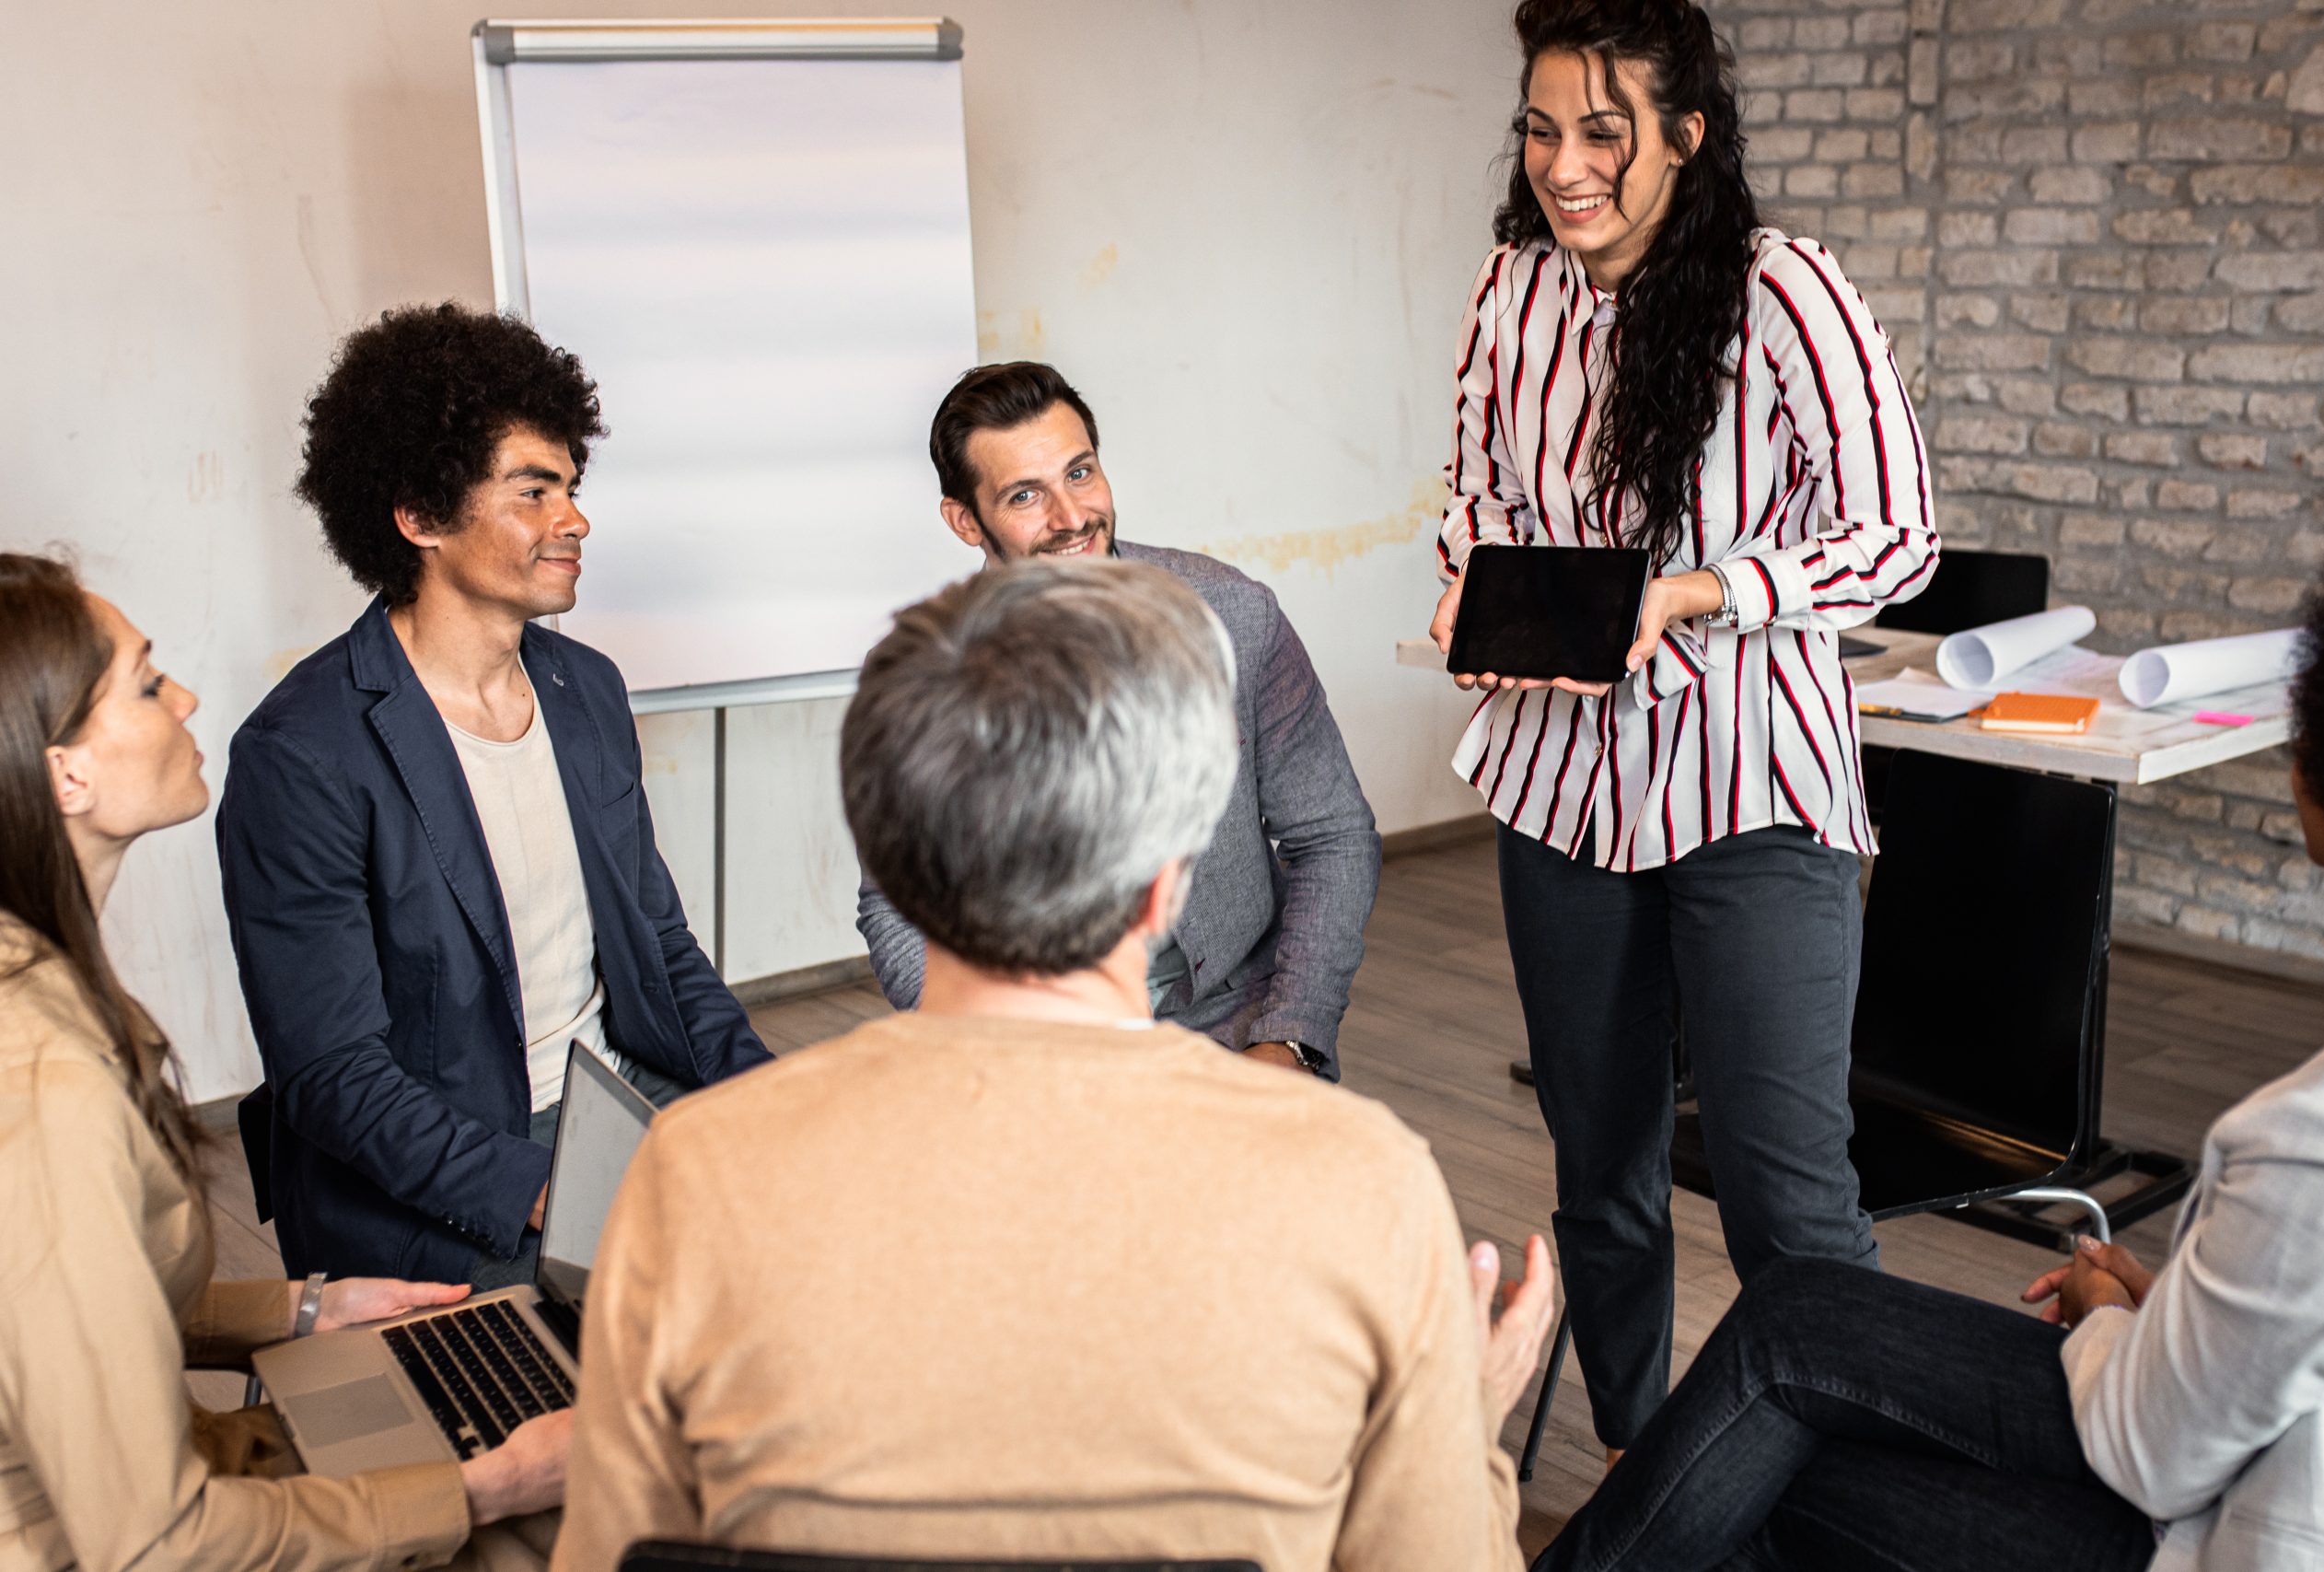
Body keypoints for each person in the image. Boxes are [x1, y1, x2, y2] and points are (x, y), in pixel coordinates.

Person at [555, 559, 1554, 1572]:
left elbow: (611, 1554)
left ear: (886, 856)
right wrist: (1457, 1438)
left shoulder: (691, 1170)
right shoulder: (1363, 1181)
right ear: (1168, 885)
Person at [1533, 468, 2324, 1572]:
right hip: (2234, 1440)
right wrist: (2170, 1314)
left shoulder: (2316, 1144)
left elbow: (2159, 1450)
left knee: (1740, 1457)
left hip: (2233, 1524)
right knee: (1778, 1350)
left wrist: (2124, 1331)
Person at [1427, 0, 1937, 1454]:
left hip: (1755, 788)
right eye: (1541, 129)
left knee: (1790, 1197)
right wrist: (1483, 595)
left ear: (1685, 136)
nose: (1564, 165)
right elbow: (1473, 497)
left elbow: (1897, 536)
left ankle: (1847, 1489)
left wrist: (1707, 587)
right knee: (1602, 1179)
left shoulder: (1786, 289)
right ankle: (1646, 1469)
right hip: (1558, 788)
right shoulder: (1508, 291)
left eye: (1603, 131)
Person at [0, 551, 568, 1572]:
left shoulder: (49, 981)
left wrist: (304, 1309)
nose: (187, 696)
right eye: (144, 680)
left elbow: (60, 1319)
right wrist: (482, 1489)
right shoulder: (42, 1083)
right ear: (65, 774)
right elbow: (155, 1544)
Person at [215, 305, 771, 1289]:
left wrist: (769, 1102)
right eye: (534, 490)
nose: (575, 519)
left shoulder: (584, 689)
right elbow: (337, 1079)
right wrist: (559, 1192)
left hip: (617, 1095)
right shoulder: (300, 755)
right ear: (421, 516)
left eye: (571, 486)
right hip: (455, 1166)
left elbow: (662, 947)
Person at [855, 361, 1379, 1078]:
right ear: (963, 519)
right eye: (1024, 495)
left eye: (1080, 473)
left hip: (1237, 1023)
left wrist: (1289, 1034)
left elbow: (1333, 836)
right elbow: (898, 909)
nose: (1071, 517)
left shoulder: (1235, 616)